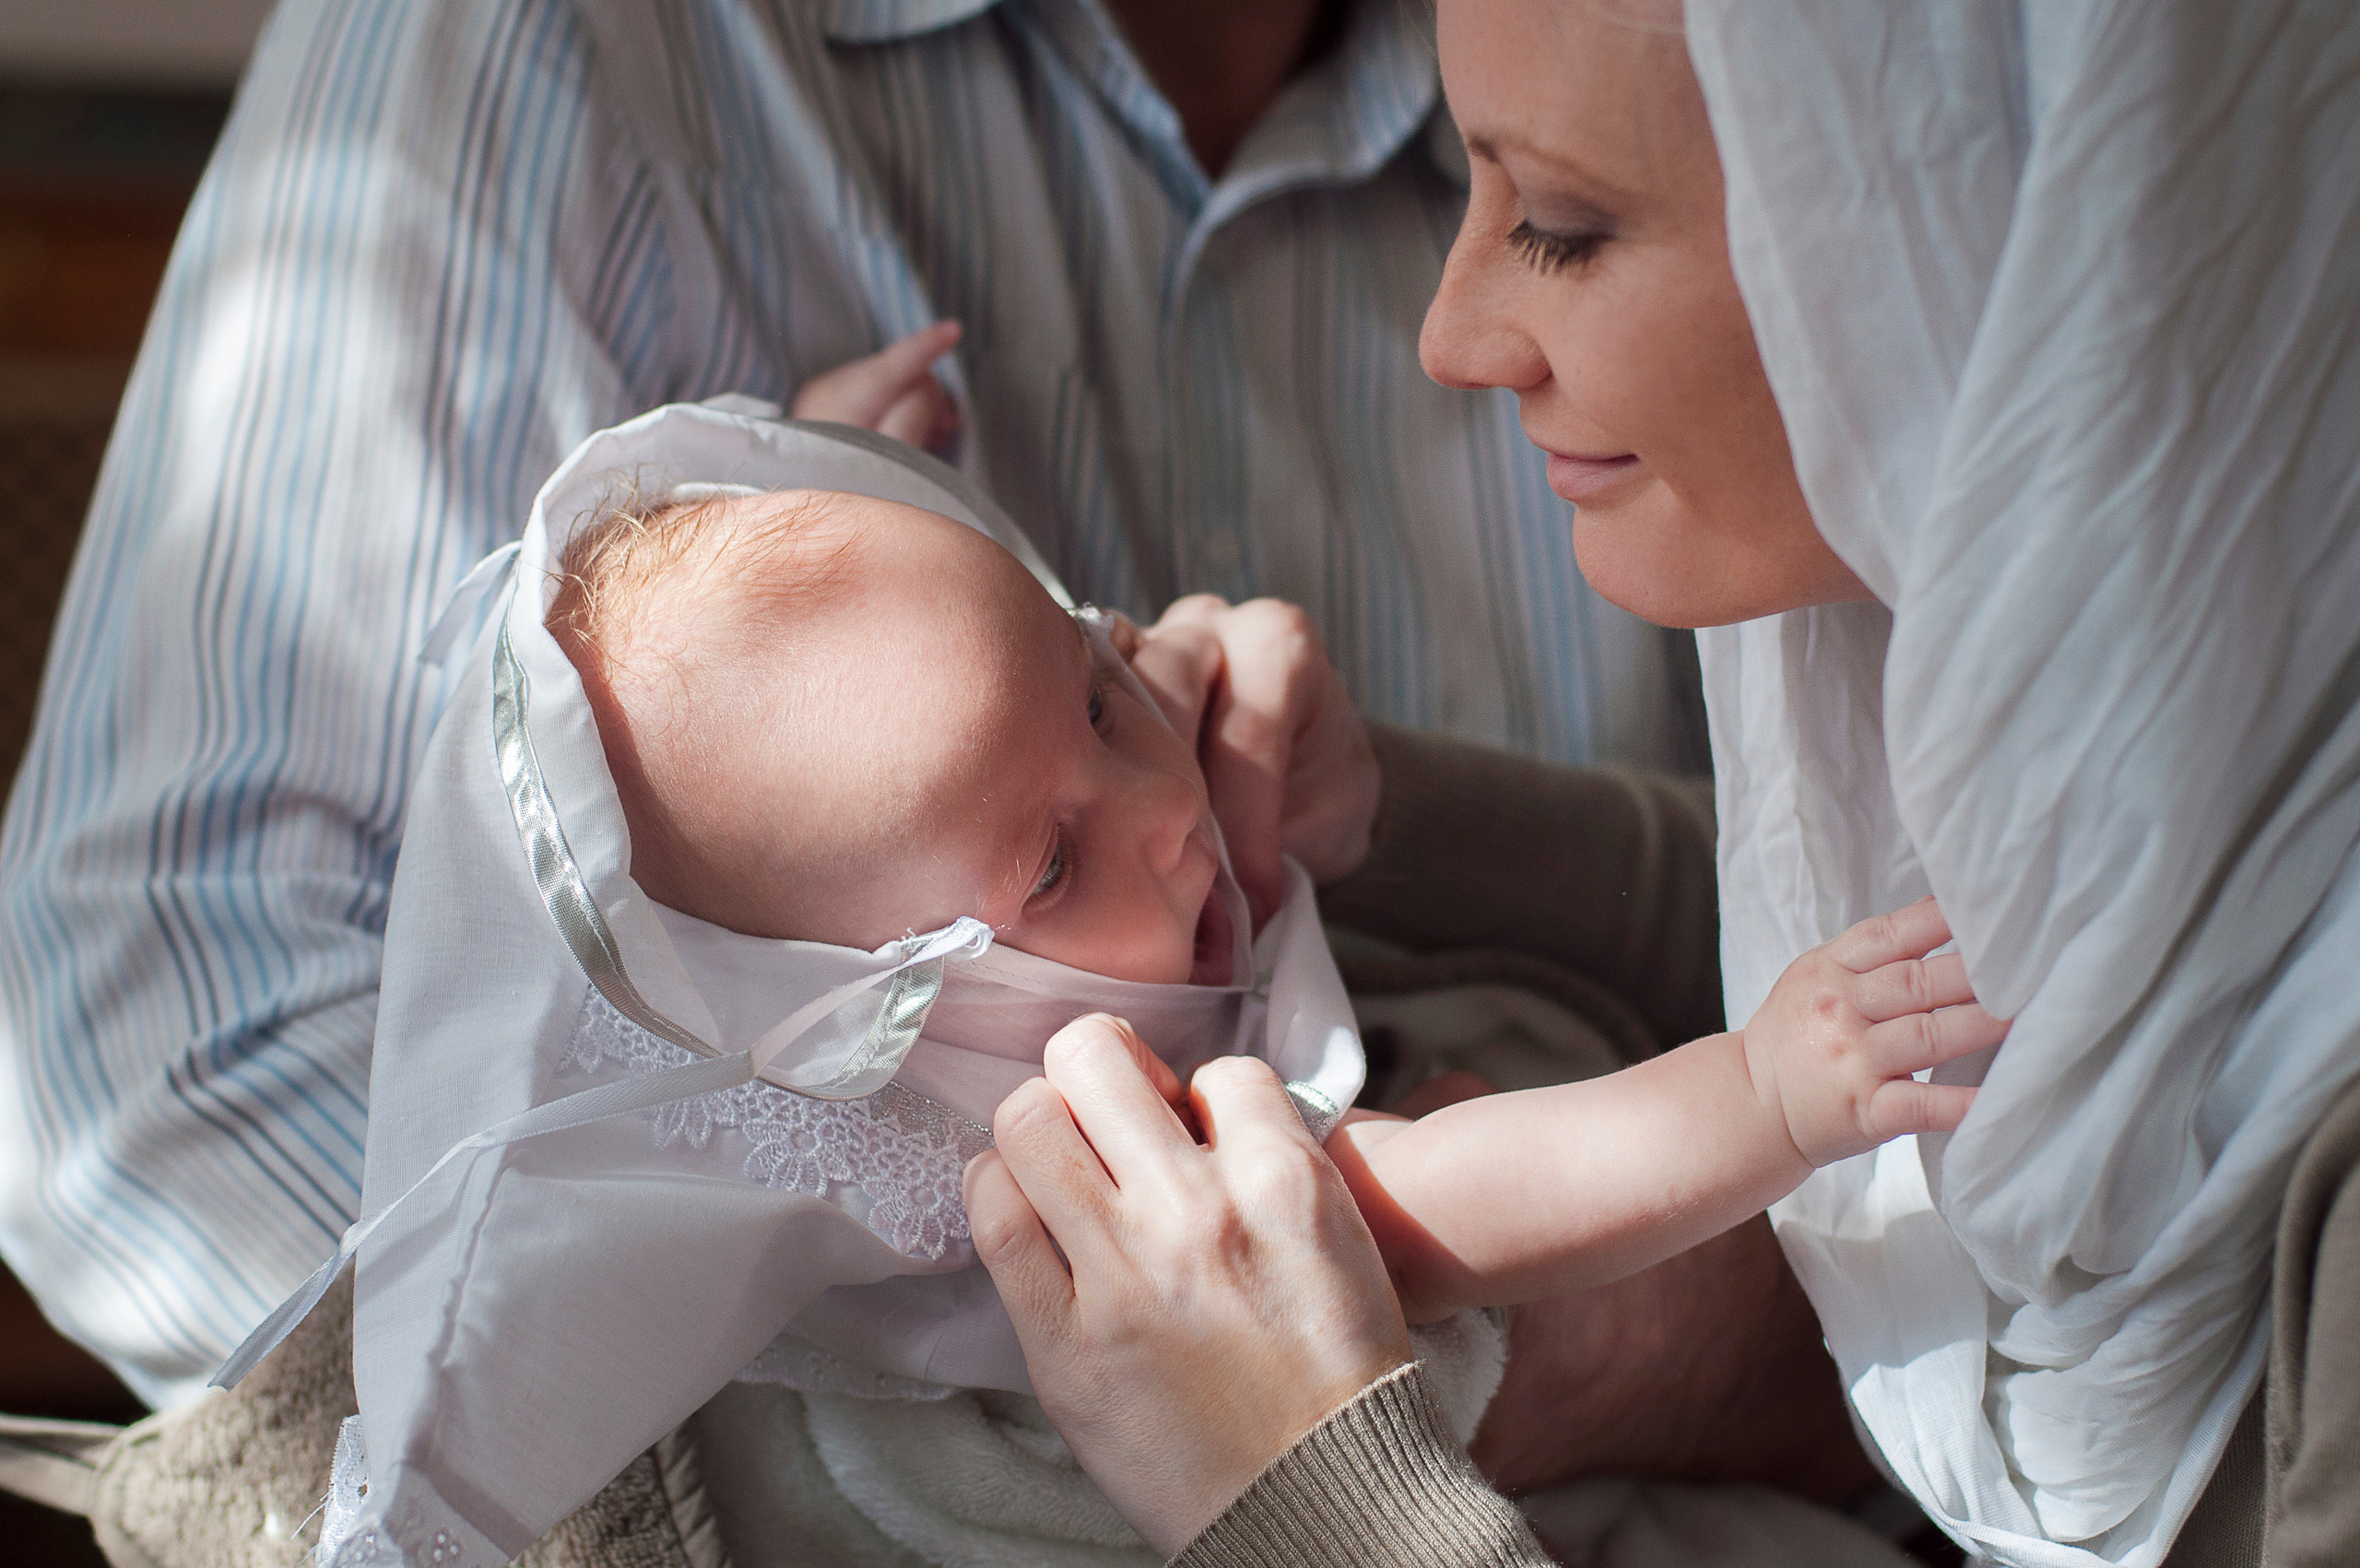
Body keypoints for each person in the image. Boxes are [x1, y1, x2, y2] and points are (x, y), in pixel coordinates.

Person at [0, 0, 1692, 1409]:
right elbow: (154, 1063)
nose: (1177, 807)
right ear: (838, 1021)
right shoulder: (991, 1197)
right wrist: (916, 1437)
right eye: (1041, 874)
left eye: (1104, 685)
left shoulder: (1652, 59)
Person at [964, 1, 2360, 1564]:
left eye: (1558, 222)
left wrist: (1307, 1484)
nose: (1452, 337)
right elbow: (1931, 970)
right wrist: (1359, 824)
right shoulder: (2163, 729)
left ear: (2018, 234)